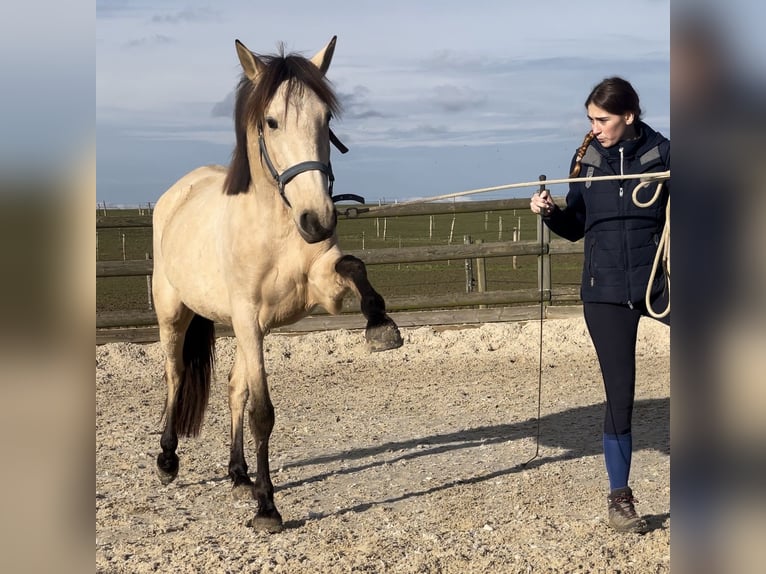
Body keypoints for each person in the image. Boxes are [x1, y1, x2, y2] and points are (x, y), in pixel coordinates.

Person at [530, 77, 670, 533]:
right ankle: (620, 497)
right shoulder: (587, 161)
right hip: (605, 290)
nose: (594, 128)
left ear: (629, 116)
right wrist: (551, 213)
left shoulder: (665, 156)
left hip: (660, 282)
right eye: (590, 119)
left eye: (602, 120)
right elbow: (576, 226)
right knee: (620, 394)